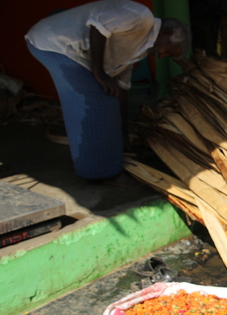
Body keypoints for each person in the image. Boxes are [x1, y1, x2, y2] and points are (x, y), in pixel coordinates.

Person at [25, 0, 191, 188]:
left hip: (67, 50)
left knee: (106, 98)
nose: (161, 56)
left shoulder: (139, 50)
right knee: (97, 102)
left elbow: (120, 90)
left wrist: (124, 137)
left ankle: (93, 166)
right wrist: (99, 72)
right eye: (167, 51)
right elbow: (98, 27)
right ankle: (104, 173)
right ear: (166, 33)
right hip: (52, 42)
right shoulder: (141, 17)